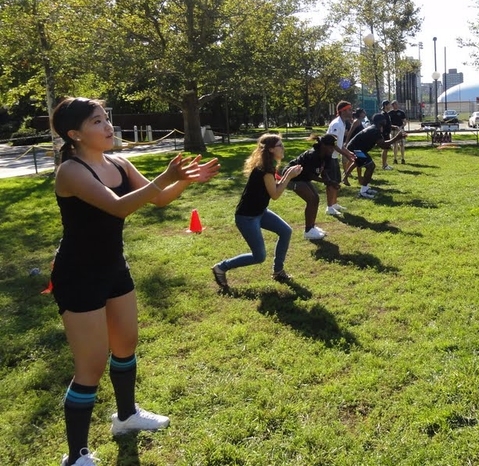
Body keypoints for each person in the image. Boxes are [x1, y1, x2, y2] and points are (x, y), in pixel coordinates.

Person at [49, 97, 220, 466]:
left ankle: (126, 416)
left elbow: (159, 199)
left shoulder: (119, 163)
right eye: (97, 122)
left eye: (106, 119)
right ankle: (76, 456)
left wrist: (184, 180)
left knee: (126, 345)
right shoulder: (71, 172)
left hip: (114, 268)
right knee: (91, 366)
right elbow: (118, 206)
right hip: (78, 276)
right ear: (75, 134)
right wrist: (165, 177)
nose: (107, 126)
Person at [211, 134, 302, 290]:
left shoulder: (268, 165)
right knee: (259, 256)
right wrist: (288, 176)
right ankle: (221, 267)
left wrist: (287, 176)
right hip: (247, 217)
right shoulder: (265, 170)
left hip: (260, 212)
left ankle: (278, 271)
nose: (283, 148)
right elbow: (275, 195)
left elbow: (274, 188)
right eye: (280, 145)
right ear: (271, 149)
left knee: (285, 231)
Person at [285, 134, 339, 240]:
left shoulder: (327, 155)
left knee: (315, 198)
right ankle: (308, 230)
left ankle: (312, 227)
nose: (332, 149)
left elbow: (324, 171)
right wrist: (328, 182)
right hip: (292, 177)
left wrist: (329, 181)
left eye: (333, 147)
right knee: (312, 199)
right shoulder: (312, 155)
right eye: (330, 147)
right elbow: (310, 175)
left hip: (303, 177)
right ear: (323, 145)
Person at [345, 117, 406, 199]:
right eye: (383, 119)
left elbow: (381, 143)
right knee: (370, 166)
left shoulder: (375, 128)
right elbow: (383, 145)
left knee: (366, 164)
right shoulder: (374, 130)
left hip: (357, 148)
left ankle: (365, 188)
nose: (385, 121)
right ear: (379, 121)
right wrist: (396, 138)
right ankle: (363, 191)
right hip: (356, 149)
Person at [324, 101, 356, 215]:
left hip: (334, 157)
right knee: (331, 182)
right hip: (328, 157)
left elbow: (340, 144)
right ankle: (329, 207)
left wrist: (349, 153)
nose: (351, 111)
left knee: (336, 180)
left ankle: (334, 204)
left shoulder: (342, 123)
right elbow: (333, 144)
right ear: (343, 111)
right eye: (349, 109)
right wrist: (346, 155)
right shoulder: (336, 124)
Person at [342, 108, 368, 186]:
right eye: (363, 112)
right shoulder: (356, 121)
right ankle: (356, 178)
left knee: (357, 162)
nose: (365, 114)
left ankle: (347, 176)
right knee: (359, 161)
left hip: (359, 144)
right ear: (360, 114)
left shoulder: (359, 121)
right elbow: (350, 132)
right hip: (355, 145)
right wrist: (347, 142)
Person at [372, 100, 393, 170]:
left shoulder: (387, 114)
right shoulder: (383, 114)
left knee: (386, 149)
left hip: (387, 133)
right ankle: (384, 165)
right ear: (385, 105)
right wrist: (382, 134)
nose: (390, 106)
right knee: (385, 149)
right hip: (384, 134)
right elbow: (382, 125)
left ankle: (385, 164)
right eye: (389, 105)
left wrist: (393, 127)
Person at [388, 99, 407, 165]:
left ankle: (403, 158)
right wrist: (394, 127)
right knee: (395, 145)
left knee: (402, 145)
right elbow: (388, 123)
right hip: (393, 131)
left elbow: (404, 121)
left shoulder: (401, 112)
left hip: (401, 130)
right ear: (392, 105)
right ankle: (395, 159)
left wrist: (401, 127)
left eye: (396, 104)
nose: (395, 105)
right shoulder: (390, 113)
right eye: (394, 104)